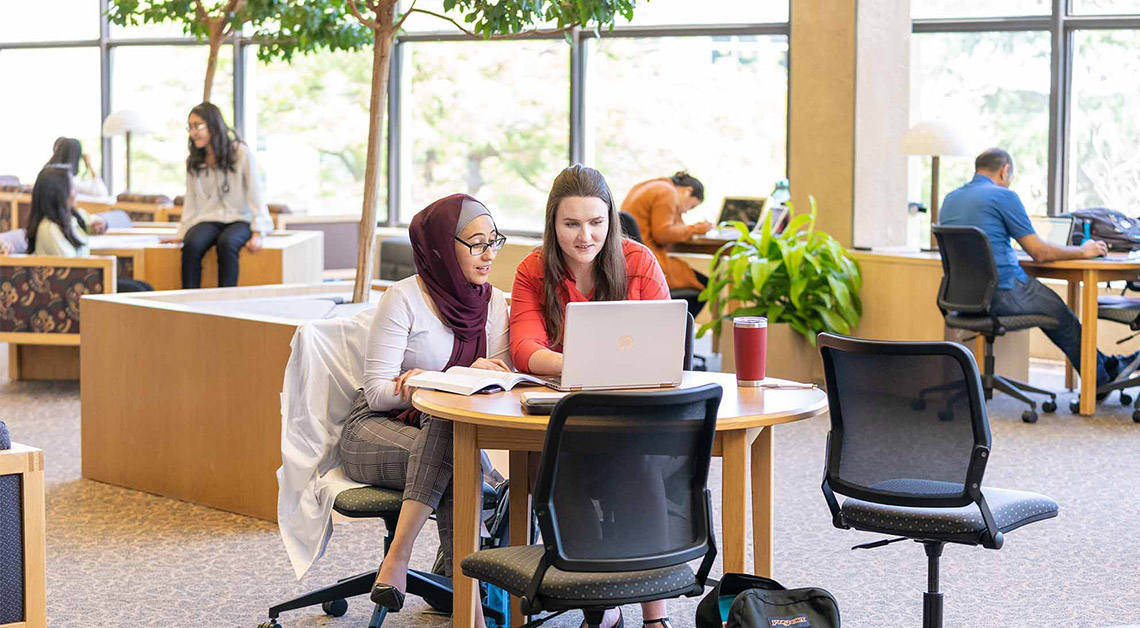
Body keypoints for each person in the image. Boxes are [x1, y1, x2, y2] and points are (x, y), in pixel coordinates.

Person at [510, 164, 677, 628]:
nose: (586, 236)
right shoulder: (533, 269)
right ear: (552, 224)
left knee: (636, 465)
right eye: (572, 224)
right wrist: (587, 362)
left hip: (636, 412)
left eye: (596, 222)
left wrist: (587, 361)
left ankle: (655, 616)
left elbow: (664, 344)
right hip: (570, 415)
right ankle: (600, 609)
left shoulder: (638, 261)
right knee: (560, 475)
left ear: (611, 219)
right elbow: (525, 349)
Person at [338, 193, 509, 627]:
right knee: (457, 447)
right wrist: (445, 380)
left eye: (494, 240)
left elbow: (499, 381)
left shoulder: (496, 306)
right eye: (475, 243)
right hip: (373, 430)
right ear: (440, 246)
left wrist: (435, 378)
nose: (489, 254)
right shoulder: (404, 298)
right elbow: (378, 392)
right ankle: (468, 601)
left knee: (451, 439)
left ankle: (429, 575)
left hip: (442, 433)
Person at [939, 147, 1135, 390]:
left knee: (1054, 309)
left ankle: (1106, 368)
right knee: (1060, 313)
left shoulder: (950, 199)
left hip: (960, 296)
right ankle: (1101, 379)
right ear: (1005, 171)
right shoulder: (1003, 196)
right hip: (1003, 292)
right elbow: (1040, 252)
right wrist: (1084, 251)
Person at [161, 102, 273, 288]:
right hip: (209, 219)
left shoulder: (240, 153)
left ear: (213, 125)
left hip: (239, 219)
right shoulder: (194, 161)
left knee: (227, 244)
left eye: (198, 126)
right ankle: (189, 302)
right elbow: (191, 201)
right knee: (192, 244)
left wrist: (258, 232)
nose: (193, 132)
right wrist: (182, 233)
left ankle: (225, 303)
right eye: (190, 127)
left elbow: (256, 194)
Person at [25, 166, 152, 292]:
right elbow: (73, 266)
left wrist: (101, 224)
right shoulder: (48, 229)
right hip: (74, 287)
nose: (75, 194)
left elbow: (92, 223)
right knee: (137, 290)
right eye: (71, 189)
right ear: (58, 193)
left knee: (145, 287)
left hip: (84, 281)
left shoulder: (73, 217)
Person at [621, 171, 712, 318]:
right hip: (651, 260)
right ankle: (679, 334)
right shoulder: (668, 193)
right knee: (706, 285)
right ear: (688, 191)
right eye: (692, 206)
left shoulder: (646, 185)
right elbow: (663, 233)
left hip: (632, 259)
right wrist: (696, 228)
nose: (687, 211)